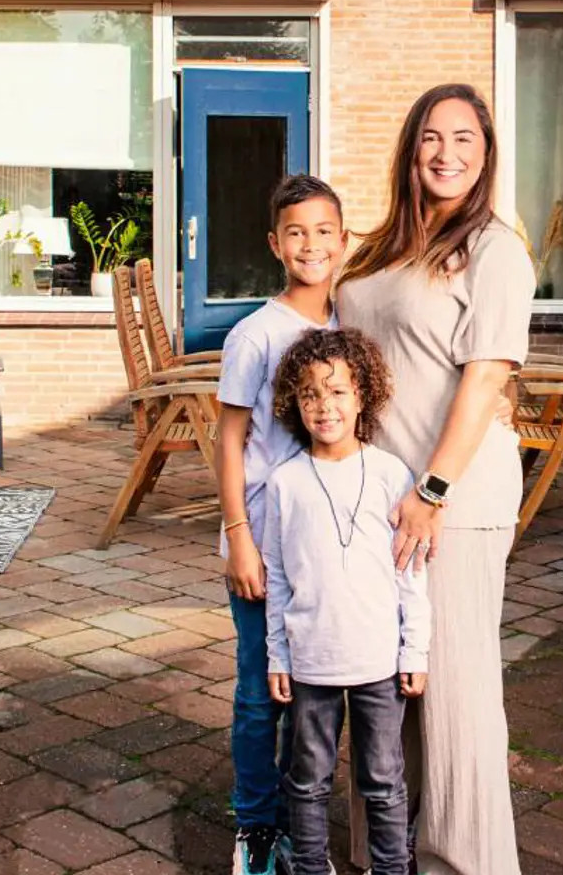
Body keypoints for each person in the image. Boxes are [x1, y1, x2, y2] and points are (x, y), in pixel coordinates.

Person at [336, 83, 535, 875]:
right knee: (385, 688)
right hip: (380, 502)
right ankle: (384, 853)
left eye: (464, 139)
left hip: (453, 501)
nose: (446, 153)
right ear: (410, 150)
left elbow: (486, 378)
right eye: (430, 137)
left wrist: (432, 491)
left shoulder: (494, 250)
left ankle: (468, 864)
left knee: (454, 696)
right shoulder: (386, 244)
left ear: (485, 156)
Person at [214, 173, 346, 875]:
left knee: (314, 694)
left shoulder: (345, 328)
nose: (311, 244)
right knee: (259, 693)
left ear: (343, 239)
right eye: (296, 232)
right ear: (274, 243)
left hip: (324, 549)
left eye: (324, 230)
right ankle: (256, 827)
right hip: (263, 546)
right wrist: (238, 536)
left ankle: (303, 821)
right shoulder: (255, 334)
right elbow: (229, 437)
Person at [263, 327, 429, 875]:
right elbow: (279, 579)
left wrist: (415, 652)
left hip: (379, 662)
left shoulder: (390, 475)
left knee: (383, 780)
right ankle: (310, 866)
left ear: (362, 397)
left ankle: (391, 869)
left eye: (337, 391)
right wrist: (278, 657)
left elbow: (411, 574)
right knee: (307, 780)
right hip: (311, 661)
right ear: (295, 402)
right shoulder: (285, 483)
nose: (323, 406)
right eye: (310, 394)